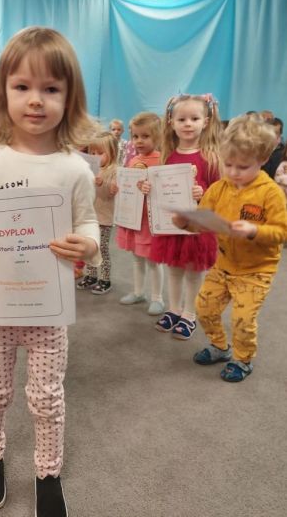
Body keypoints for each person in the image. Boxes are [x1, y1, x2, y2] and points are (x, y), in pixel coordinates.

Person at [0, 26, 100, 517]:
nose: (36, 100)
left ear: (69, 97)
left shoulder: (74, 169)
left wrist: (89, 243)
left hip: (47, 309)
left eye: (51, 88)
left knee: (47, 397)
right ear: (4, 92)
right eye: (22, 87)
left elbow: (88, 221)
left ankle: (48, 471)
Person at [173, 115, 287, 382]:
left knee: (242, 319)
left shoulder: (271, 193)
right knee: (204, 308)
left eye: (243, 166)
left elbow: (282, 232)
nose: (234, 172)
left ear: (263, 159)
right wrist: (185, 222)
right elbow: (202, 220)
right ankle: (220, 347)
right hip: (223, 264)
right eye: (228, 164)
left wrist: (254, 230)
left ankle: (243, 359)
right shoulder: (218, 188)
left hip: (256, 271)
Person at [144, 93, 222, 339]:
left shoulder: (211, 157)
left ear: (205, 122)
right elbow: (160, 190)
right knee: (174, 269)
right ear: (171, 122)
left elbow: (221, 193)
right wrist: (147, 188)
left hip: (197, 227)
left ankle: (189, 314)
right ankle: (173, 309)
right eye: (182, 119)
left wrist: (204, 192)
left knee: (193, 271)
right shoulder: (167, 156)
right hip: (171, 225)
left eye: (194, 118)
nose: (188, 124)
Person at [116, 112, 165, 315]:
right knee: (137, 257)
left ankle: (158, 298)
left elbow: (165, 190)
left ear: (158, 136)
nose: (139, 141)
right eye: (135, 136)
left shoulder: (162, 160)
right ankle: (138, 292)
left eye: (145, 136)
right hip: (134, 218)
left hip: (151, 221)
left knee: (153, 260)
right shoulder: (133, 159)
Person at [77, 131, 117, 294]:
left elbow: (111, 194)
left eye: (100, 153)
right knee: (89, 248)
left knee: (102, 249)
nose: (95, 157)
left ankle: (105, 279)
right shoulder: (90, 169)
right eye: (92, 153)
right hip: (89, 217)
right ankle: (91, 275)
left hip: (104, 218)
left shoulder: (114, 170)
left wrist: (104, 184)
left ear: (112, 152)